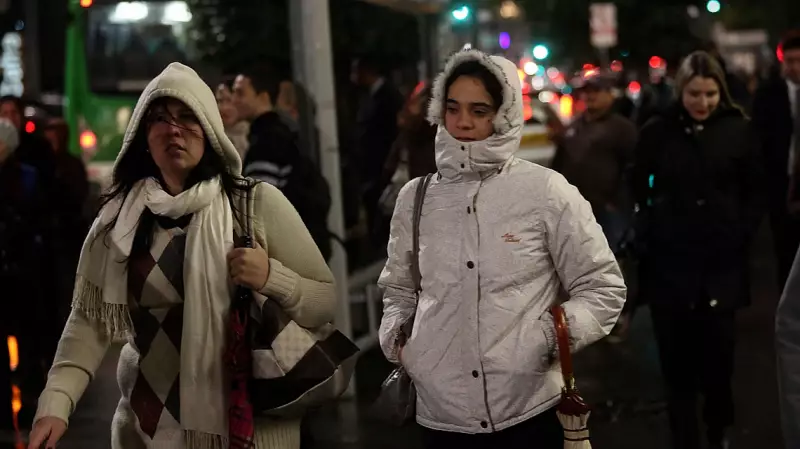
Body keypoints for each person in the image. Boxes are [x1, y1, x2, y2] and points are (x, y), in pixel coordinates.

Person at [28, 63, 335, 449]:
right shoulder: (119, 221)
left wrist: (272, 277)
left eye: (188, 117)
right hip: (145, 433)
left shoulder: (255, 204)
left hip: (248, 430)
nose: (174, 129)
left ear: (209, 129)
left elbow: (325, 302)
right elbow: (88, 322)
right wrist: (55, 404)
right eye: (160, 118)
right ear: (143, 135)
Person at [378, 49, 626, 449]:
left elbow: (603, 288)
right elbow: (398, 287)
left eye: (479, 110)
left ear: (505, 114)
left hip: (528, 409)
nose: (463, 122)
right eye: (453, 108)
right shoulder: (416, 197)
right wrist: (403, 344)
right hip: (440, 413)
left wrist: (545, 339)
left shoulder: (546, 191)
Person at [632, 51, 764, 449]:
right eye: (694, 94)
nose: (702, 102)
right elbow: (638, 181)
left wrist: (740, 231)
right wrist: (651, 223)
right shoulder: (659, 131)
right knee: (677, 369)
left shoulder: (738, 130)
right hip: (670, 266)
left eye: (709, 94)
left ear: (720, 92)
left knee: (719, 363)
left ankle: (719, 430)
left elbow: (754, 190)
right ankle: (685, 438)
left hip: (720, 267)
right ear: (681, 91)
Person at [233, 65, 332, 261]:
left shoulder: (266, 143)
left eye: (240, 93)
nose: (234, 100)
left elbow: (260, 211)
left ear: (263, 97)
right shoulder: (281, 134)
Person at [0, 117, 52, 432]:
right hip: (14, 270)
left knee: (28, 338)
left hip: (24, 272)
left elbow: (38, 220)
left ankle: (31, 404)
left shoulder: (27, 178)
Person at [752, 31, 800, 290]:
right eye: (790, 61)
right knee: (785, 252)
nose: (795, 67)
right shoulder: (769, 94)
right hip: (781, 183)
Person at [350, 55, 404, 251]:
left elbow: (387, 133)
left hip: (380, 162)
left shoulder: (387, 96)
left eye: (357, 71)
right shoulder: (370, 95)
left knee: (381, 204)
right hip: (373, 163)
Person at [216, 80, 250, 158]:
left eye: (229, 100)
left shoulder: (252, 136)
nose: (224, 108)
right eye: (220, 101)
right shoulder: (211, 136)